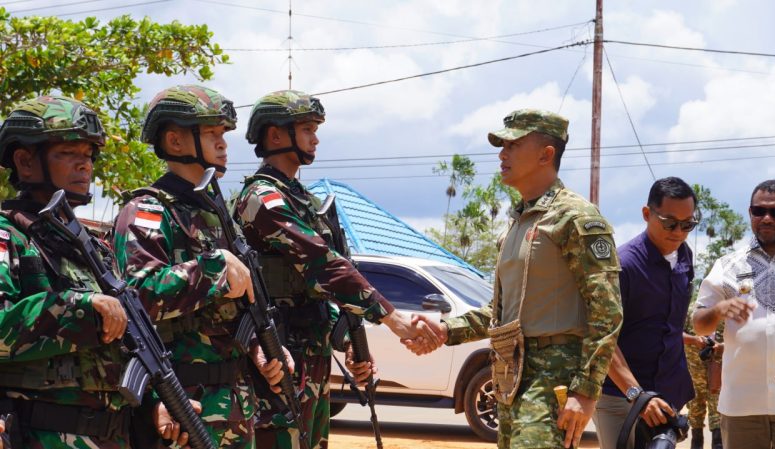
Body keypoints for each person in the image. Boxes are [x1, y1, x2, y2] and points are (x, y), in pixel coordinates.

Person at [406, 108, 623, 449]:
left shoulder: (575, 218)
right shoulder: (519, 221)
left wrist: (585, 390)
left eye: (513, 145)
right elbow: (500, 313)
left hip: (555, 377)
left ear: (546, 154)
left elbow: (607, 312)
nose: (502, 154)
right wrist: (446, 331)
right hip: (510, 374)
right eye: (501, 145)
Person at [232, 90, 436, 449]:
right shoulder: (261, 199)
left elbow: (316, 293)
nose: (316, 137)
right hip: (278, 363)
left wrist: (349, 341)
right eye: (307, 128)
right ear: (276, 136)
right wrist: (393, 319)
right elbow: (321, 265)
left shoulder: (304, 200)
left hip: (312, 359)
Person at [0, 95, 195, 448]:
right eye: (68, 153)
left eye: (88, 155)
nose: (85, 166)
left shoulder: (91, 247)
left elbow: (125, 350)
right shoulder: (9, 237)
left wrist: (154, 405)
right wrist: (79, 308)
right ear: (25, 161)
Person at [112, 85, 291, 449]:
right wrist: (213, 269)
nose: (223, 143)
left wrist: (258, 345)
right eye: (211, 134)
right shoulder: (148, 213)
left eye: (223, 134)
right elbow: (136, 297)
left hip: (235, 403)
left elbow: (237, 306)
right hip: (182, 405)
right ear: (176, 141)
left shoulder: (216, 214)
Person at [693, 179, 775, 449]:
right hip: (740, 406)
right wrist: (717, 310)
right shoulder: (727, 265)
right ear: (749, 213)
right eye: (758, 211)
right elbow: (700, 326)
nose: (766, 218)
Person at [592, 177, 697, 449]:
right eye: (670, 222)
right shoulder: (622, 266)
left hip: (668, 396)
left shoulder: (685, 257)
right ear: (647, 214)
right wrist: (637, 396)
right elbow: (603, 338)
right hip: (621, 397)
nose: (678, 232)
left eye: (688, 225)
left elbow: (668, 327)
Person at [684, 299, 724, 449]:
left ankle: (718, 444)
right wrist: (694, 340)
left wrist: (722, 347)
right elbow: (675, 334)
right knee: (695, 405)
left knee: (718, 405)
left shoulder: (724, 311)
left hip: (717, 366)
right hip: (695, 368)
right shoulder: (690, 311)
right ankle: (696, 443)